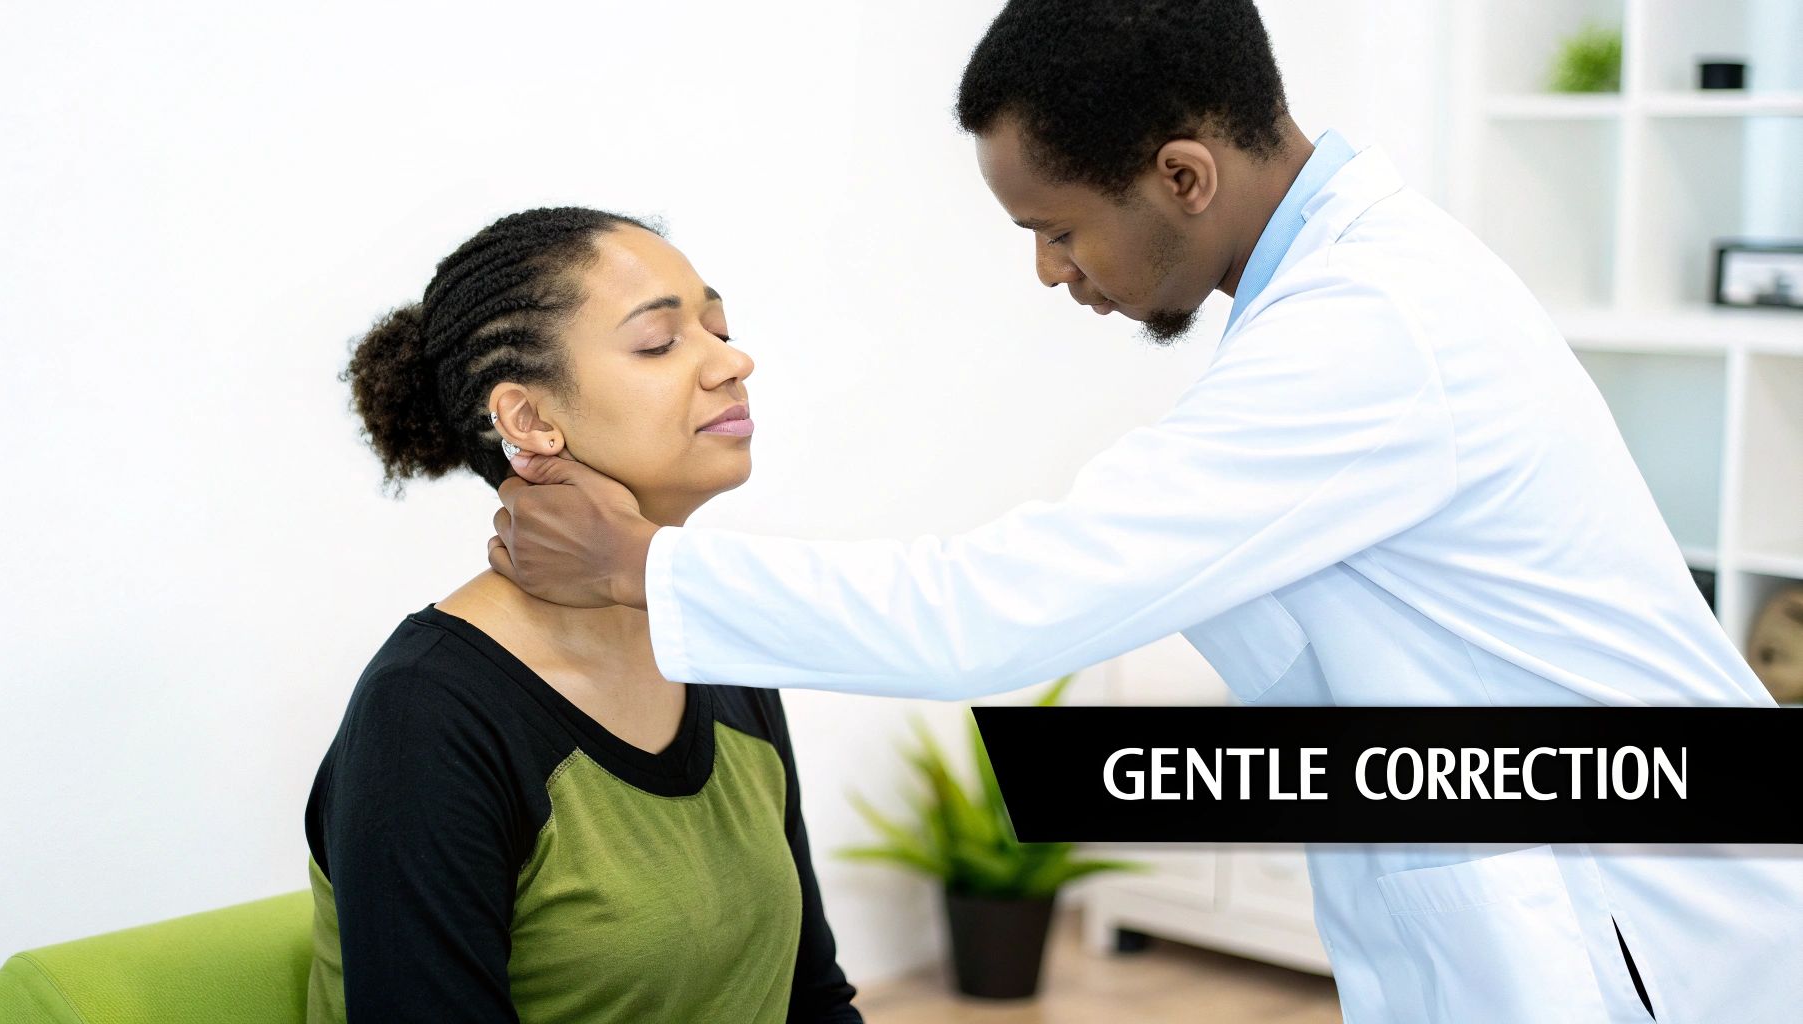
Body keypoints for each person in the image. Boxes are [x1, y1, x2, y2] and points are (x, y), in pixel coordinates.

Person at [484, 3, 1803, 1022]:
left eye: (1058, 229)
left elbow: (989, 615)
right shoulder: (1343, 300)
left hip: (1642, 926)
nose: (1052, 272)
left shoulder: (1366, 334)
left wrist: (642, 570)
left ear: (1182, 176)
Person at [304, 207, 861, 1023]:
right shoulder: (427, 711)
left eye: (718, 329)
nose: (732, 362)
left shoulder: (712, 643)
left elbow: (812, 1001)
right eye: (660, 343)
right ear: (528, 420)